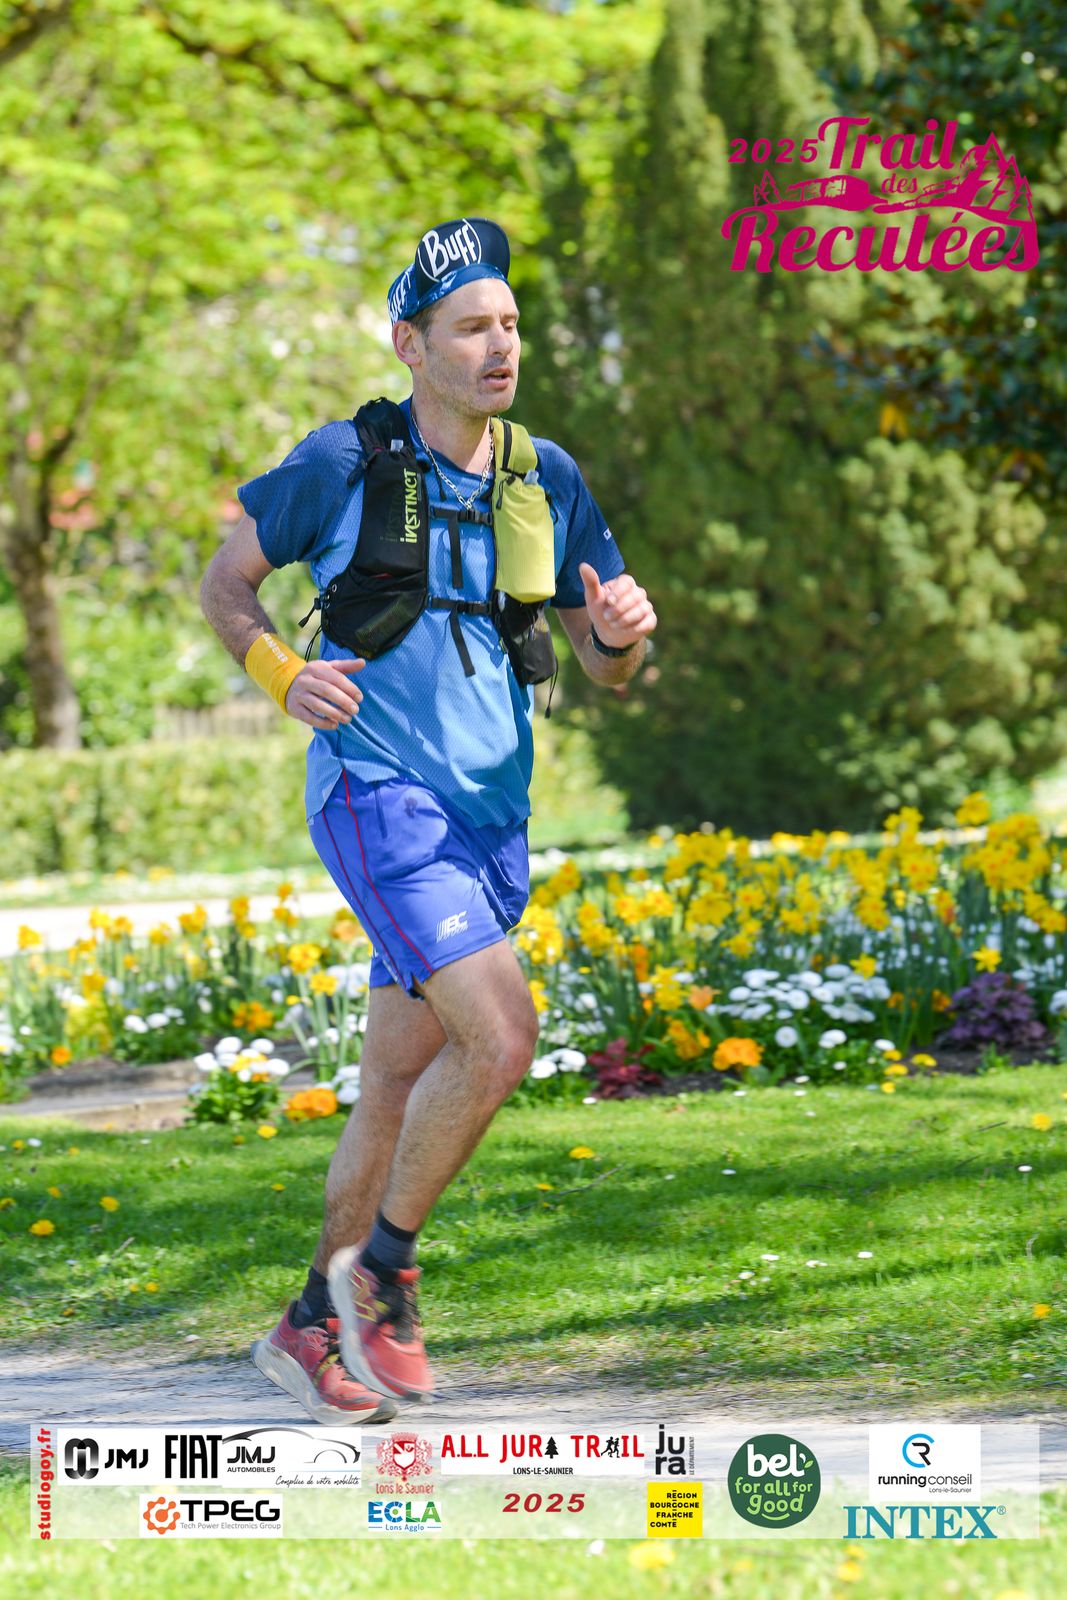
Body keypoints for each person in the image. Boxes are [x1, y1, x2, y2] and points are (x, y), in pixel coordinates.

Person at [199, 216, 657, 1425]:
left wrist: (621, 639)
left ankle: (310, 1321)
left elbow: (604, 666)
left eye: (508, 324)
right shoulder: (340, 462)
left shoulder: (545, 476)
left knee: (399, 1081)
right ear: (411, 346)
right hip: (377, 793)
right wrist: (278, 675)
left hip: (490, 816)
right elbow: (225, 581)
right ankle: (385, 1275)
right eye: (469, 328)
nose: (498, 346)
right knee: (500, 1037)